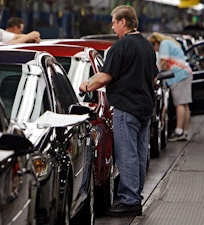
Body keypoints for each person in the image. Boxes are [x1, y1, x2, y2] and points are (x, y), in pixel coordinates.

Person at [79, 5, 158, 217]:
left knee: (127, 155)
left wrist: (84, 86)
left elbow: (105, 76)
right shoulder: (147, 46)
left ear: (123, 22)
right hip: (145, 108)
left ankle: (130, 200)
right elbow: (154, 78)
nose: (113, 27)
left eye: (114, 22)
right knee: (140, 154)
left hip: (126, 108)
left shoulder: (120, 47)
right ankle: (135, 195)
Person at [147, 32, 192, 142]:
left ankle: (179, 131)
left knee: (179, 104)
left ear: (156, 43)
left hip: (179, 75)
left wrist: (155, 74)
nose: (155, 50)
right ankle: (184, 131)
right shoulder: (169, 43)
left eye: (154, 47)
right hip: (184, 73)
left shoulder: (164, 44)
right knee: (184, 104)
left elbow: (164, 61)